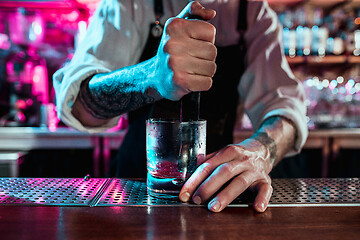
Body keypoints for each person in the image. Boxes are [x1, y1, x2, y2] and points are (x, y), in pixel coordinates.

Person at [53, 0, 308, 213]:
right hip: (135, 188)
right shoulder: (130, 4)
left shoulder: (253, 12)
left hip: (216, 192)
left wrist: (260, 152)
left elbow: (285, 108)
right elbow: (78, 106)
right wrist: (150, 76)